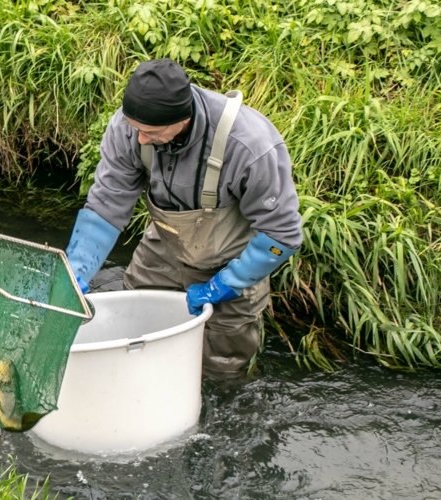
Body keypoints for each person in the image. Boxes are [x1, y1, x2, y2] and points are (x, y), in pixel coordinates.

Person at [65, 59, 303, 378]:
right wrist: (77, 268)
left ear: (183, 118)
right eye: (136, 129)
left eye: (150, 133)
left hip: (232, 260)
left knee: (222, 366)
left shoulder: (249, 146)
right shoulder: (129, 128)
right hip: (165, 246)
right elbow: (108, 202)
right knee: (132, 326)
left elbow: (282, 236)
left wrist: (224, 286)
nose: (140, 140)